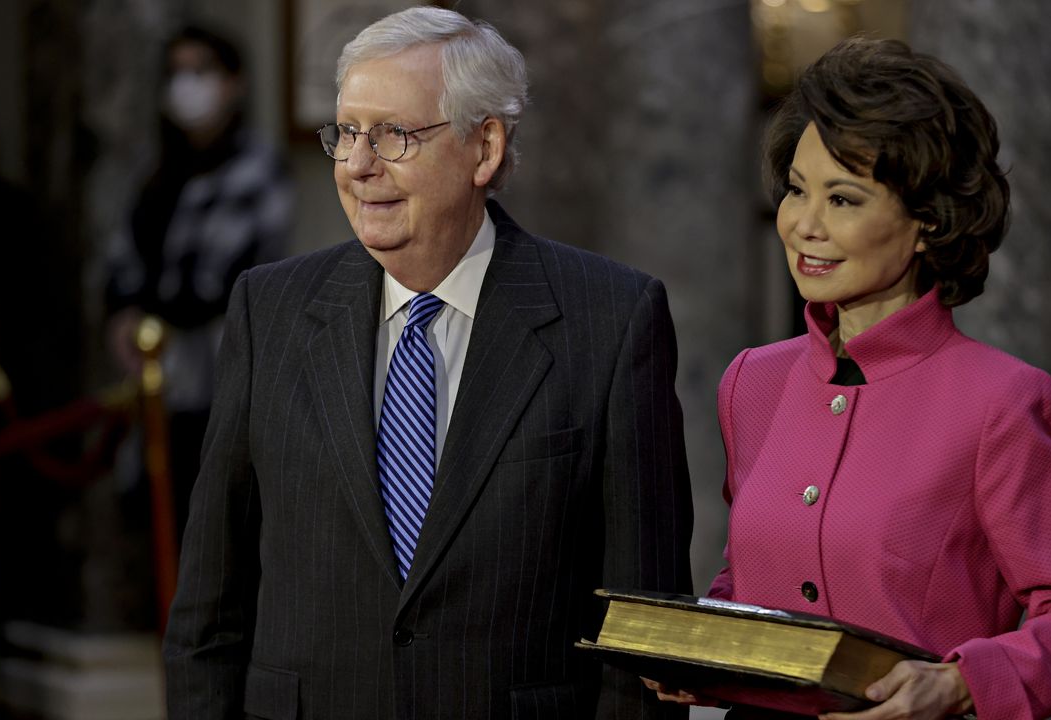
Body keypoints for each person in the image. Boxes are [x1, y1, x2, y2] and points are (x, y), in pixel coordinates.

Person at [162, 7, 693, 719]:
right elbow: (207, 610)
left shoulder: (610, 321)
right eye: (347, 132)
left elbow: (643, 639)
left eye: (393, 135)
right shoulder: (271, 311)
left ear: (485, 148)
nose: (356, 165)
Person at [646, 37, 1051, 719]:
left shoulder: (1000, 402)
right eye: (796, 190)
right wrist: (701, 657)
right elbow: (747, 579)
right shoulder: (751, 382)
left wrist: (960, 682)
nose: (804, 225)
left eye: (843, 199)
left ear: (927, 222)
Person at [104, 25, 292, 539]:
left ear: (235, 83)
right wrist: (123, 313)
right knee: (156, 520)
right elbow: (124, 256)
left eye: (201, 71)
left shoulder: (258, 169)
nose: (187, 86)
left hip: (218, 376)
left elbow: (239, 273)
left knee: (215, 523)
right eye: (177, 73)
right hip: (153, 379)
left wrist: (159, 312)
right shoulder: (155, 171)